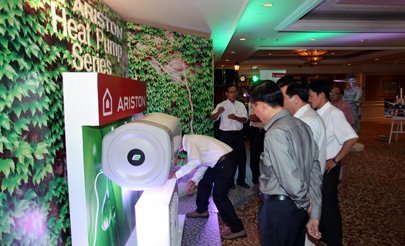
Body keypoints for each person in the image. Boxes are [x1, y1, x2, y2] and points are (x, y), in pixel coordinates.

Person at [250, 80, 323, 246]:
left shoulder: (275, 133)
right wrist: (314, 212)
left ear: (260, 105)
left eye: (254, 108)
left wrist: (305, 203)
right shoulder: (302, 125)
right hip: (297, 209)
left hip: (281, 210)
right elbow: (314, 172)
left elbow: (289, 177)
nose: (256, 113)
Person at [308, 80, 359, 246]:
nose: (309, 100)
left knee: (329, 206)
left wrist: (335, 160)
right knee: (319, 203)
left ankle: (334, 240)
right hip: (319, 167)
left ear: (321, 95)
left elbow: (351, 138)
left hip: (329, 167)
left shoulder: (334, 113)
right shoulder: (319, 112)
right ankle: (323, 236)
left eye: (311, 96)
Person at [171, 134, 247, 240]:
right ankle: (202, 210)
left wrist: (176, 175)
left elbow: (196, 161)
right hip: (220, 160)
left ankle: (238, 229)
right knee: (204, 182)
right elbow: (204, 162)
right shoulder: (190, 139)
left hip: (225, 161)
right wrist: (194, 180)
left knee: (219, 197)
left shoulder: (189, 141)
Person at [280, 80, 327, 246]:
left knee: (305, 234)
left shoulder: (306, 121)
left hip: (305, 186)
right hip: (305, 186)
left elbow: (301, 163)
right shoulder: (305, 118)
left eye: (284, 97)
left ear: (296, 99)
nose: (282, 102)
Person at [211, 84, 249, 188]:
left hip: (238, 135)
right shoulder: (221, 105)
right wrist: (218, 112)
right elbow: (213, 118)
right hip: (226, 135)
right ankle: (230, 182)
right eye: (231, 92)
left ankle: (241, 180)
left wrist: (236, 117)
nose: (233, 94)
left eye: (235, 91)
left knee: (242, 158)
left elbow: (245, 119)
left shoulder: (240, 105)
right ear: (226, 94)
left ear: (237, 93)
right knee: (228, 160)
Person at [248, 102, 264, 186]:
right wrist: (266, 116)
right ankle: (256, 180)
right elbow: (252, 117)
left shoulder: (269, 100)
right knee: (254, 157)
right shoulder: (252, 102)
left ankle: (268, 180)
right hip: (255, 132)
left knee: (269, 157)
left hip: (268, 131)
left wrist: (260, 116)